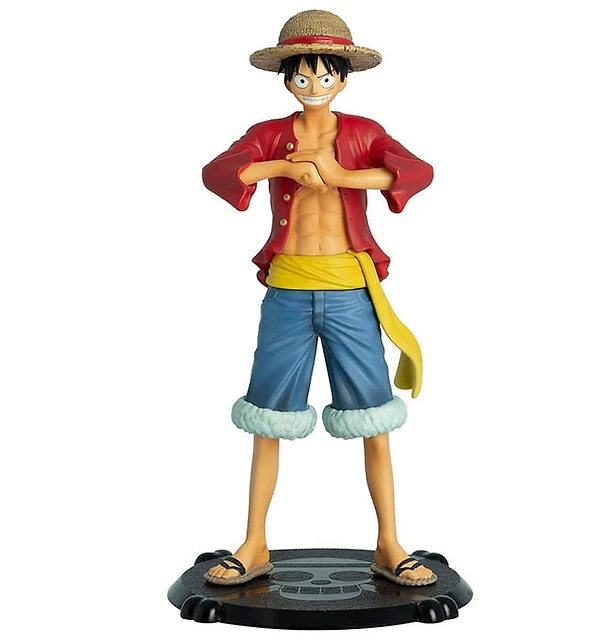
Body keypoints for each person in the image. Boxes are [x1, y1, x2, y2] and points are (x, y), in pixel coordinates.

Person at [201, 10, 436, 587]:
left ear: (343, 78)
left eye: (324, 76)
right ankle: (255, 543)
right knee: (268, 416)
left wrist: (339, 175)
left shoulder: (363, 132)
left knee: (373, 416)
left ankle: (389, 543)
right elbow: (219, 172)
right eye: (301, 77)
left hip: (351, 289)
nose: (313, 86)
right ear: (287, 80)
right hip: (287, 288)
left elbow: (417, 171)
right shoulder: (269, 132)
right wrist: (282, 165)